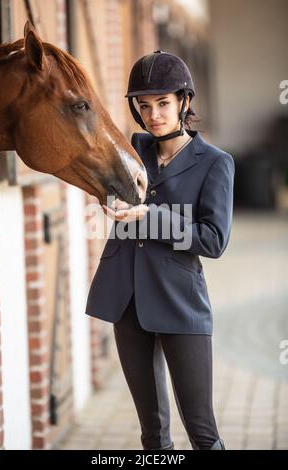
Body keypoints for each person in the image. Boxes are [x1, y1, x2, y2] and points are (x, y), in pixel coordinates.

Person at [85, 51, 235, 450]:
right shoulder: (132, 152)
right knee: (152, 435)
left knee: (203, 433)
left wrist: (150, 216)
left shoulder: (216, 163)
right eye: (144, 105)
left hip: (179, 303)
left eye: (163, 103)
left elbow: (213, 240)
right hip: (126, 300)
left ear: (184, 101)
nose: (153, 114)